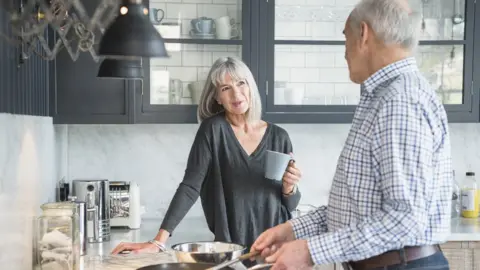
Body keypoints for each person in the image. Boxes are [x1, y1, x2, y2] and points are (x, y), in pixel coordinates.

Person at [250, 0, 453, 270]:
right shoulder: (384, 96)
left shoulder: (400, 100)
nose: (344, 52)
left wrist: (311, 251)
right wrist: (293, 229)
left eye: (345, 37)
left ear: (364, 34)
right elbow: (358, 208)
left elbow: (405, 218)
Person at [111, 56, 302, 255]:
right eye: (225, 88)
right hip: (232, 250)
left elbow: (290, 204)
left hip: (276, 249)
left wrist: (290, 188)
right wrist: (159, 241)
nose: (236, 94)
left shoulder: (280, 137)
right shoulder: (213, 130)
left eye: (241, 83)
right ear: (217, 97)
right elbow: (191, 186)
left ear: (251, 87)